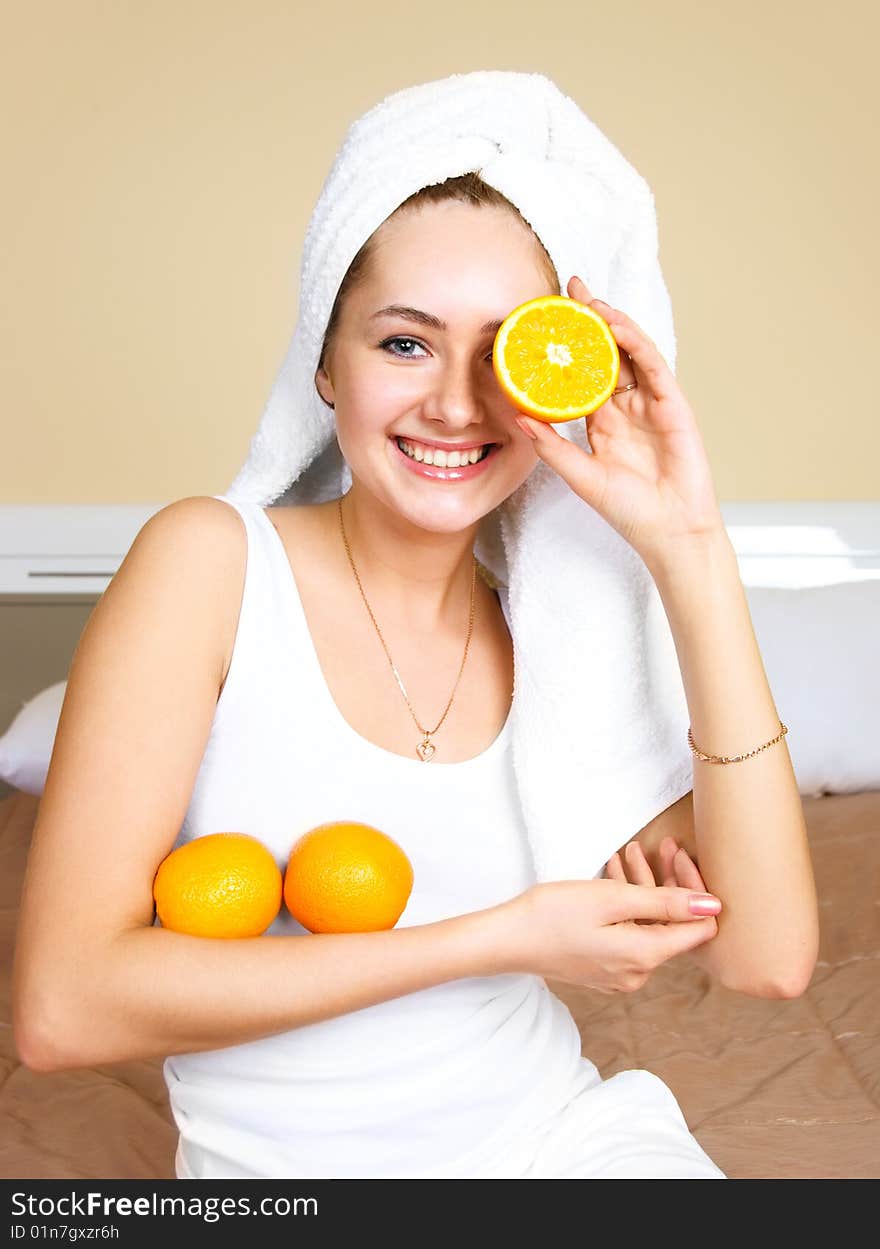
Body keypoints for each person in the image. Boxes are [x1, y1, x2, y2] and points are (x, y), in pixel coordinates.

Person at [12, 72, 818, 1180]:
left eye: (502, 353)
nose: (456, 402)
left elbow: (767, 961)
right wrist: (496, 939)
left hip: (563, 1146)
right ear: (325, 368)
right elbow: (63, 1010)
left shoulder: (560, 649)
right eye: (405, 342)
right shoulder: (208, 567)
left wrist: (691, 545)